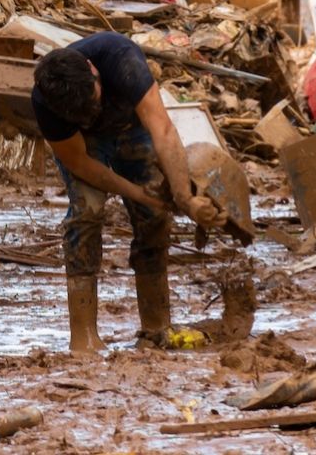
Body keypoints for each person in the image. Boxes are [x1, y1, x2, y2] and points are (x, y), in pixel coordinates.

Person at [32, 33, 219, 354]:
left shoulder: (122, 59)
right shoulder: (47, 102)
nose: (94, 109)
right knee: (86, 212)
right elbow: (81, 163)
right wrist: (137, 193)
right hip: (86, 145)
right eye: (84, 110)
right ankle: (83, 338)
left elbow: (162, 129)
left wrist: (185, 198)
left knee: (154, 216)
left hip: (133, 128)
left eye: (94, 99)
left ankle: (156, 326)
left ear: (93, 71)